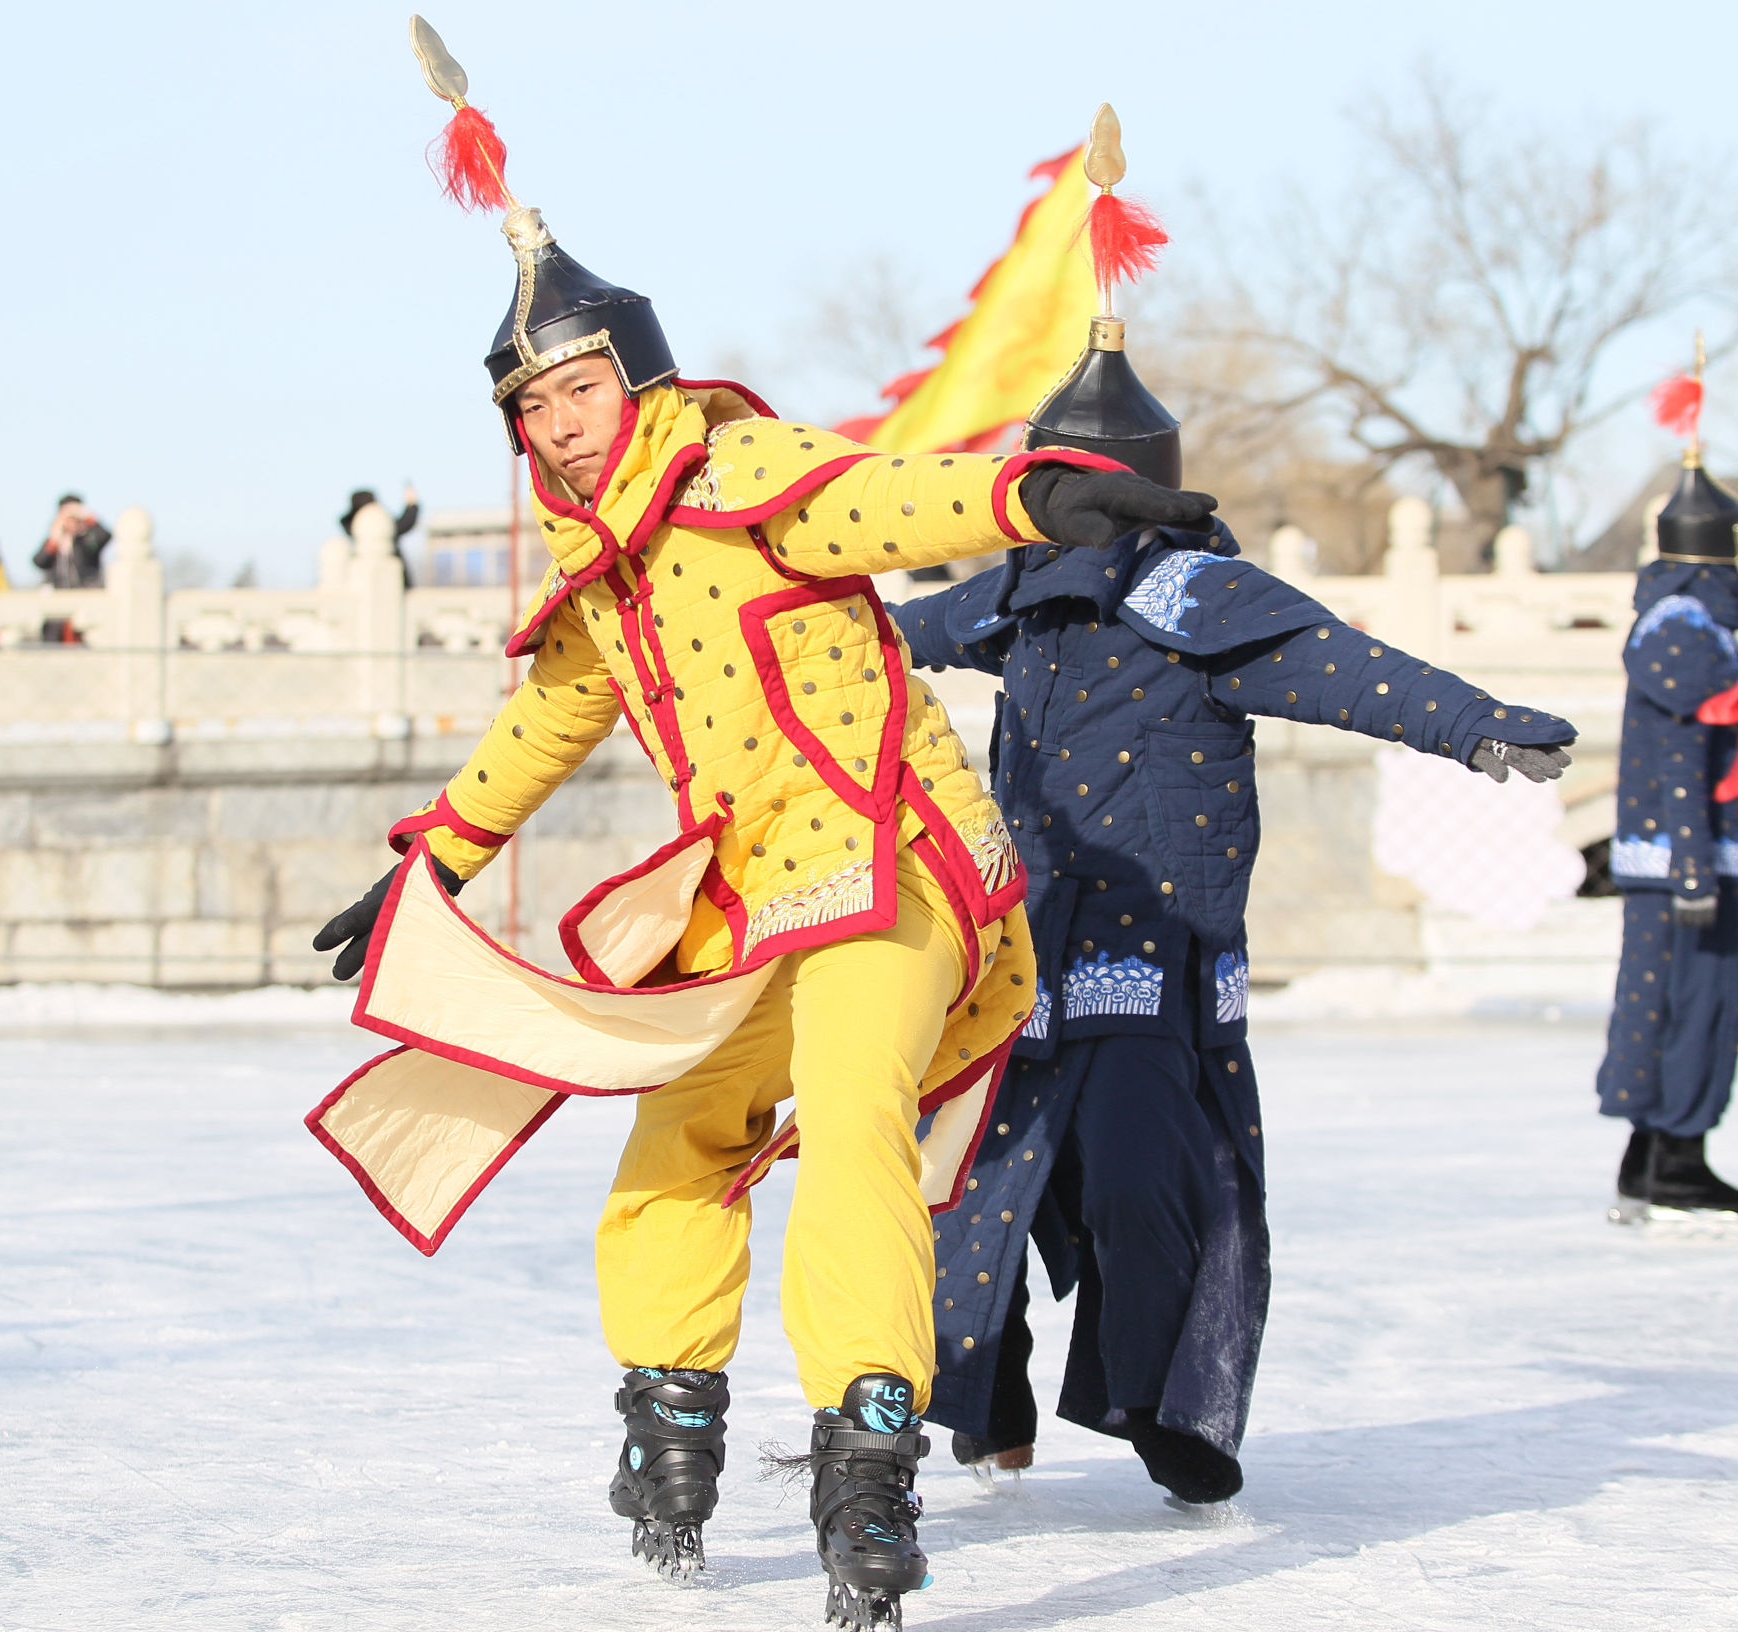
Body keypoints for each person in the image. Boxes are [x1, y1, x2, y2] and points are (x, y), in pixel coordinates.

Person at [307, 23, 1216, 1629]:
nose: (563, 424)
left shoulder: (743, 472)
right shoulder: (600, 573)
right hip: (748, 911)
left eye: (580, 387)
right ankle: (668, 1418)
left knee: (853, 1111)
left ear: (637, 376)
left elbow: (883, 496)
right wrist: (434, 862)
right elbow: (551, 718)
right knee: (672, 1148)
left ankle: (868, 1443)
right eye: (532, 405)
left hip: (894, 870)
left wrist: (1031, 496)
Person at [886, 222, 1577, 1503]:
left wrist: (1478, 726)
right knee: (975, 1187)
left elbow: (1348, 673)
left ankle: (1159, 1405)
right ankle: (981, 1403)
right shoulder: (1009, 597)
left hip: (1154, 953)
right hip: (1020, 949)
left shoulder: (1206, 599)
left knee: (1144, 1181)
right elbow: (873, 637)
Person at [1593, 372, 1738, 1226]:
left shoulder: (1693, 621)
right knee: (1686, 1006)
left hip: (1684, 855)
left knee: (1671, 1000)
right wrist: (1697, 861)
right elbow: (1680, 752)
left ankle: (1651, 1158)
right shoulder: (1686, 628)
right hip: (1683, 858)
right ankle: (1672, 1158)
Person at [341, 484, 421, 585]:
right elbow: (403, 525)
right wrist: (411, 505)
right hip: (392, 581)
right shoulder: (376, 523)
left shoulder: (351, 525)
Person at [33, 494, 110, 589]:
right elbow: (39, 562)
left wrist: (88, 517)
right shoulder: (56, 540)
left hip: (86, 592)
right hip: (59, 594)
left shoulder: (88, 538)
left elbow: (105, 536)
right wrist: (54, 541)